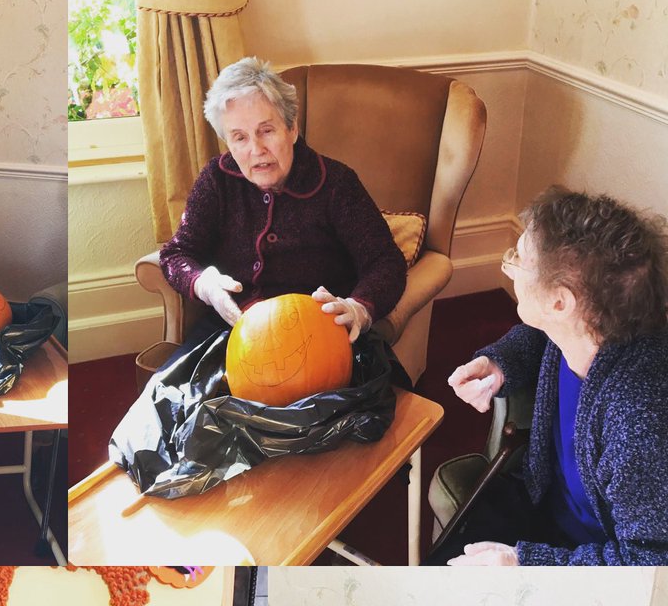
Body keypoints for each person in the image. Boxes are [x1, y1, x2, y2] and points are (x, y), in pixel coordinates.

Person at [430, 186, 668, 566]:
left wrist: (527, 564)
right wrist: (500, 363)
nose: (508, 267)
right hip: (542, 498)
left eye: (518, 258)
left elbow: (648, 563)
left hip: (595, 558)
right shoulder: (589, 329)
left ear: (559, 302)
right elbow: (539, 337)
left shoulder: (638, 421)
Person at [159, 56, 406, 363]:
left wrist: (358, 307)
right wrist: (203, 284)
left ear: (292, 128)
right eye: (239, 137)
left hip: (321, 335)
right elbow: (175, 254)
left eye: (266, 131)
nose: (256, 149)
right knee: (172, 393)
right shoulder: (216, 179)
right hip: (233, 331)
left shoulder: (336, 183)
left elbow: (385, 262)